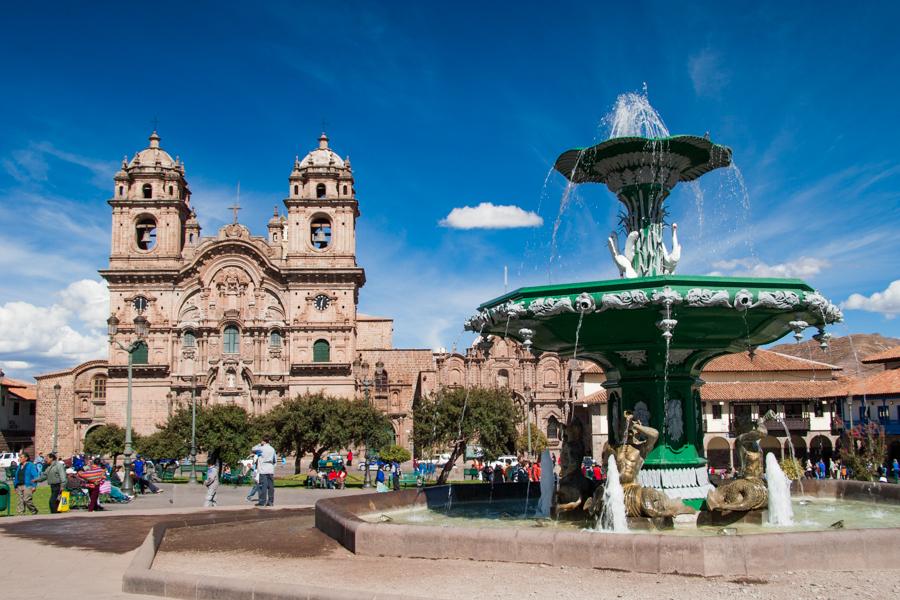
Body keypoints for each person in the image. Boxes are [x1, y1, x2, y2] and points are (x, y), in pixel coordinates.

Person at [252, 437, 277, 507]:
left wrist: (259, 444)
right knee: (271, 487)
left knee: (263, 486)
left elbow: (253, 449)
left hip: (263, 469)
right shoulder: (272, 449)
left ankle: (262, 502)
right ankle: (271, 502)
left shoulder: (261, 448)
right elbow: (275, 460)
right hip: (270, 469)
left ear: (263, 441)